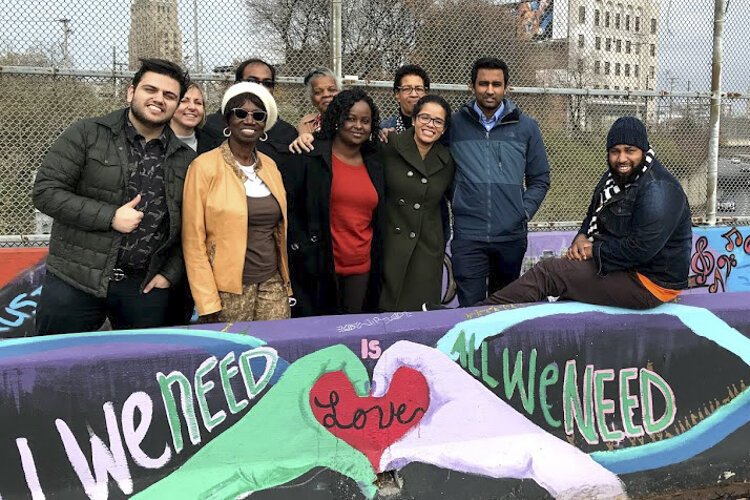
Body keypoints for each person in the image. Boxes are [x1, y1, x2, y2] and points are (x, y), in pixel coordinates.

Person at [426, 116, 692, 310]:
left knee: (550, 274)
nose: (621, 158)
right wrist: (581, 236)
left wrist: (592, 250)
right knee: (562, 293)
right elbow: (594, 213)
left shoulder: (658, 189)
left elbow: (641, 248)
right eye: (615, 151)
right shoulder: (614, 179)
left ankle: (474, 315)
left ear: (644, 151)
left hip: (650, 284)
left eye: (629, 151)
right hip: (622, 268)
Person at [32, 58, 195, 335]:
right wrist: (110, 217)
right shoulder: (87, 134)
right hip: (75, 279)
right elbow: (46, 191)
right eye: (150, 90)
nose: (159, 99)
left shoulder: (187, 159)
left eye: (169, 95)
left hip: (144, 288)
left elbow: (194, 226)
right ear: (131, 92)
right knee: (57, 367)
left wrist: (171, 273)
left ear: (177, 104)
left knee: (145, 372)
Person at [182, 82, 292, 322]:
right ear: (227, 120)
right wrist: (207, 301)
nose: (249, 120)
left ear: (265, 124)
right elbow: (193, 240)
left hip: (272, 284)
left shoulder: (271, 167)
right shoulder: (204, 166)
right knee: (231, 357)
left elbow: (277, 230)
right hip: (226, 289)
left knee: (275, 351)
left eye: (258, 115)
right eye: (240, 113)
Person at [449, 57, 550, 307]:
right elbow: (422, 138)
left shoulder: (527, 127)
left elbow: (540, 178)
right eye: (483, 83)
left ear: (506, 87)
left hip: (510, 237)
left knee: (503, 310)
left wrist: (522, 211)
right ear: (472, 86)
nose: (490, 90)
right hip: (468, 236)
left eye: (497, 84)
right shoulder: (453, 125)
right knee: (469, 311)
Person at [286, 89, 384, 316]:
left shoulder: (375, 159)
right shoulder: (311, 155)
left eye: (365, 121)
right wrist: (302, 249)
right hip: (318, 266)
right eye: (350, 118)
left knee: (351, 335)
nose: (358, 125)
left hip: (361, 268)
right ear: (336, 119)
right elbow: (292, 208)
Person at [380, 95, 454, 312]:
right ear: (413, 119)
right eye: (424, 117)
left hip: (426, 250)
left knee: (421, 317)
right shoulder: (389, 145)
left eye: (437, 121)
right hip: (390, 247)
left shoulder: (447, 160)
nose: (430, 125)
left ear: (443, 128)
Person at [199, 58, 297, 163]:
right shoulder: (209, 126)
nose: (260, 87)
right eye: (252, 81)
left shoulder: (287, 133)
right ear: (237, 84)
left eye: (267, 83)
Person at [288, 67, 340, 153]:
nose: (326, 95)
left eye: (332, 90)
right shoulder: (306, 123)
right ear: (312, 99)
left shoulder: (351, 119)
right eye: (318, 92)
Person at [381, 64, 430, 132]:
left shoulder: (440, 127)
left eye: (419, 89)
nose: (414, 94)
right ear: (397, 94)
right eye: (407, 89)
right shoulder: (385, 130)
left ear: (426, 94)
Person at [170, 82, 206, 151]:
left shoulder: (214, 145)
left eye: (198, 103)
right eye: (184, 101)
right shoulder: (153, 142)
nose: (192, 107)